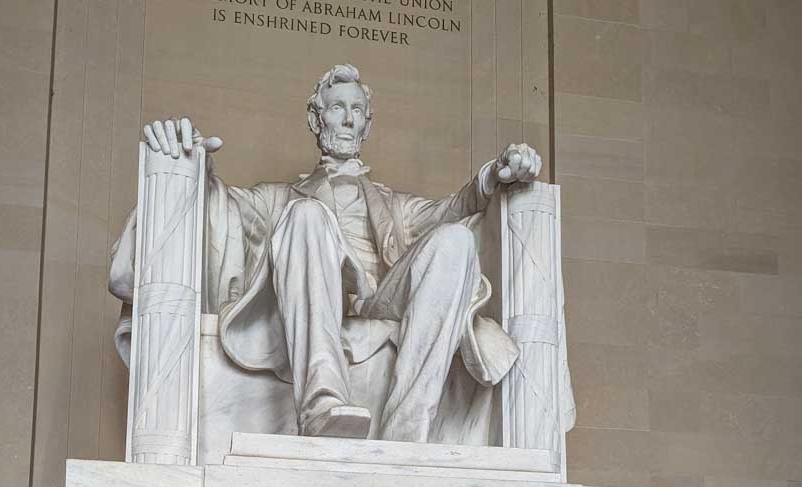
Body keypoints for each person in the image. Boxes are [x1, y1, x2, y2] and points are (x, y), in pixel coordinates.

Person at [109, 63, 542, 443]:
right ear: (316, 120)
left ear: (367, 125)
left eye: (357, 111)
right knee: (307, 214)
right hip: (314, 294)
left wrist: (492, 176)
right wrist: (192, 162)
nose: (348, 119)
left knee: (456, 240)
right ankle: (322, 402)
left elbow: (454, 209)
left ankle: (407, 429)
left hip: (380, 300)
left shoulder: (395, 206)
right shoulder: (279, 198)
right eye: (337, 108)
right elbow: (220, 206)